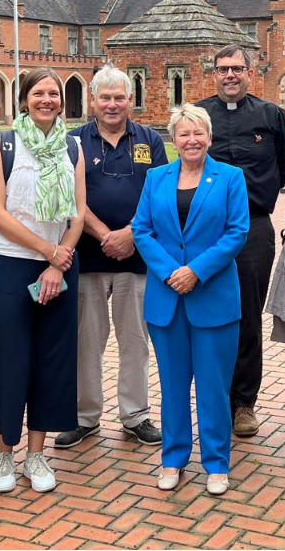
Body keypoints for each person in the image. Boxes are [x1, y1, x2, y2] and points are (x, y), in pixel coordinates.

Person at [131, 104, 249, 496]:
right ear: (173, 139)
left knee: (214, 387)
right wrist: (170, 272)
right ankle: (173, 458)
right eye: (184, 133)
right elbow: (142, 230)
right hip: (167, 300)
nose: (191, 140)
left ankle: (216, 464)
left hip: (212, 297)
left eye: (198, 133)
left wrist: (196, 270)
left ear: (210, 138)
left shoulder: (230, 177)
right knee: (173, 385)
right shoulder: (155, 177)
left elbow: (236, 233)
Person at [0, 68, 87, 494]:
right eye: (39, 93)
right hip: (11, 264)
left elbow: (78, 211)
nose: (47, 100)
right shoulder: (0, 143)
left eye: (54, 93)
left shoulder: (73, 145)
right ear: (23, 99)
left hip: (60, 265)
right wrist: (48, 253)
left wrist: (59, 262)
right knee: (11, 360)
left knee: (52, 360)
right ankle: (6, 451)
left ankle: (36, 454)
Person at [55, 67, 167, 450]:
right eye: (106, 97)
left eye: (120, 97)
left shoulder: (150, 140)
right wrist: (105, 235)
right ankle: (85, 416)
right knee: (87, 341)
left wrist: (131, 235)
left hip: (137, 259)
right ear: (92, 101)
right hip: (87, 257)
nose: (113, 104)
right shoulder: (73, 141)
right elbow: (69, 199)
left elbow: (160, 196)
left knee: (135, 340)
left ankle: (135, 415)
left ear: (130, 100)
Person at [195, 44, 285, 438]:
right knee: (206, 315)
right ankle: (213, 399)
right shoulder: (201, 115)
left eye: (237, 68)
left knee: (247, 317)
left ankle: (243, 405)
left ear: (251, 73)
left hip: (253, 228)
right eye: (222, 69)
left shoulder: (271, 116)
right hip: (203, 230)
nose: (230, 75)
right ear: (213, 74)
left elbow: (284, 164)